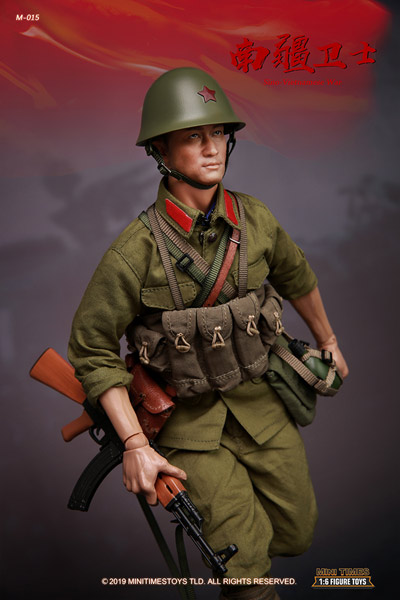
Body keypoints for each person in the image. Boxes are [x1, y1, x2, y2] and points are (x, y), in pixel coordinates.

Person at [68, 67, 349, 600]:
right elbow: (91, 349)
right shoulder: (134, 253)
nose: (212, 147)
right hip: (189, 427)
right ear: (160, 150)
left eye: (218, 132)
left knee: (297, 533)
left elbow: (297, 276)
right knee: (246, 571)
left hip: (261, 405)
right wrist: (134, 444)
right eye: (193, 136)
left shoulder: (255, 220)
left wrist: (329, 341)